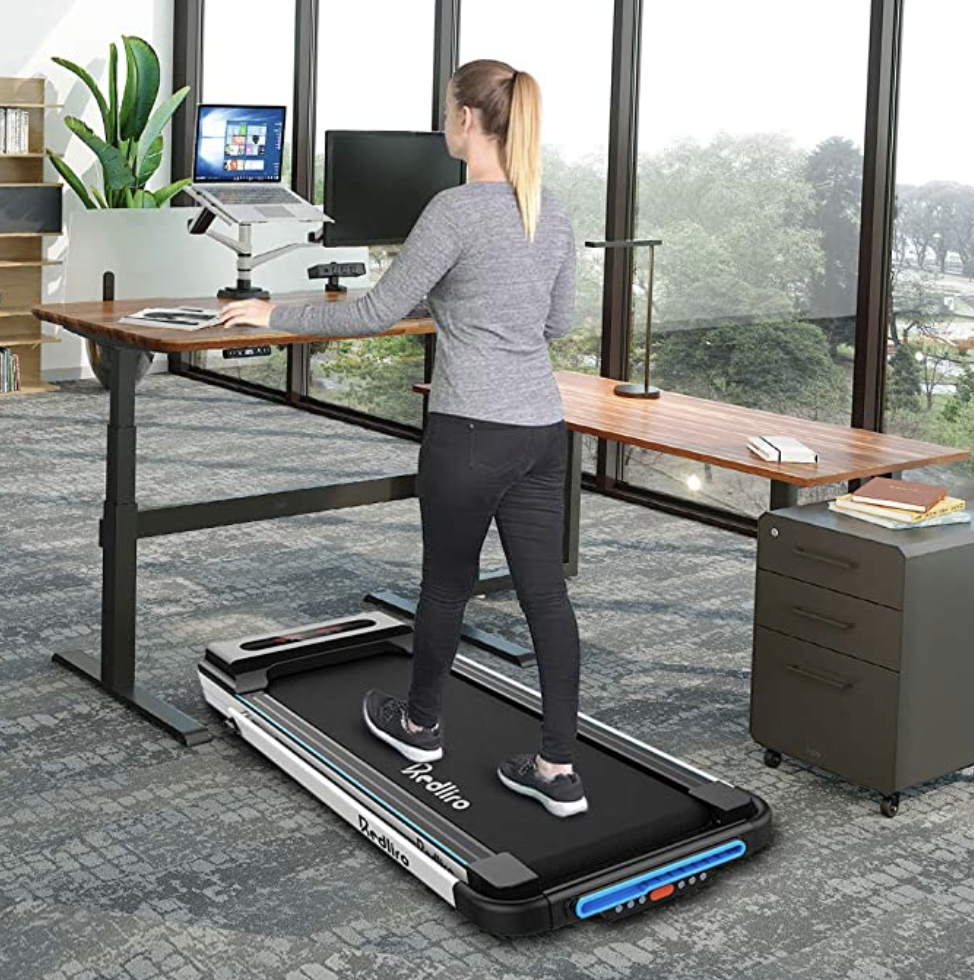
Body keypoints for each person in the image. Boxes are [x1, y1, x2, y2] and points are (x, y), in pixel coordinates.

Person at [218, 59, 586, 818]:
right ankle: (557, 769)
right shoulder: (550, 212)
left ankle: (420, 726)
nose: (445, 122)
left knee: (446, 585)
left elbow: (373, 312)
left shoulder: (455, 209)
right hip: (542, 433)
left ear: (468, 120)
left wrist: (268, 313)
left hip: (471, 430)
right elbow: (557, 326)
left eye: (449, 110)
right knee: (546, 596)